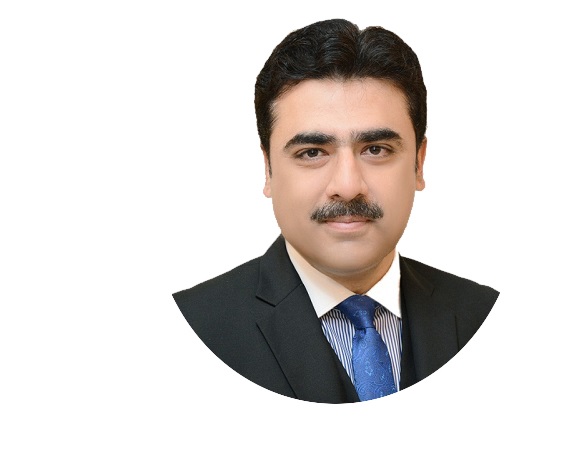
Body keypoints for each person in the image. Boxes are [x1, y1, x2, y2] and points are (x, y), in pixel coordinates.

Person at [173, 18, 499, 403]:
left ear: (419, 163)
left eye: (376, 149)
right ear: (268, 169)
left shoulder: (486, 316)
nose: (347, 185)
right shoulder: (190, 329)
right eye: (312, 152)